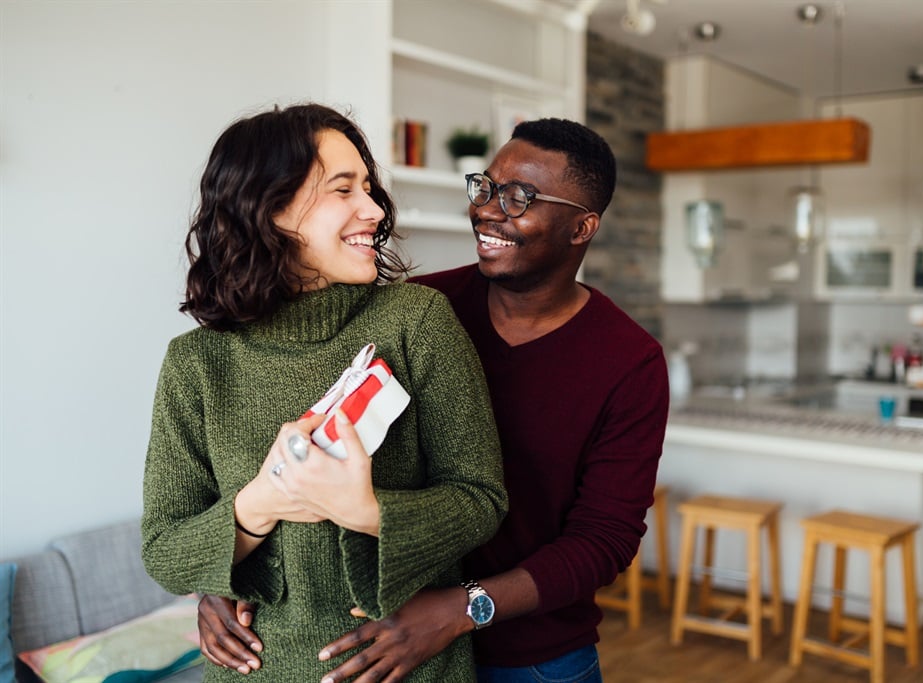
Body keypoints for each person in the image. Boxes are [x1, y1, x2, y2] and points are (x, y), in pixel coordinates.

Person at [196, 118, 669, 682]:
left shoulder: (629, 362)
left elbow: (604, 540)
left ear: (581, 227)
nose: (490, 210)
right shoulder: (418, 311)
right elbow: (286, 452)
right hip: (394, 636)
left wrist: (461, 608)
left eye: (520, 197)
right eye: (486, 187)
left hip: (536, 656)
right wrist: (221, 569)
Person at [141, 103, 507, 682]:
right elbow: (164, 551)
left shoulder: (417, 323)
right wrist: (259, 505)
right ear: (270, 210)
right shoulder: (196, 364)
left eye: (368, 187)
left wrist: (365, 511)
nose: (373, 208)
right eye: (343, 190)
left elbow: (481, 499)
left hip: (411, 669)